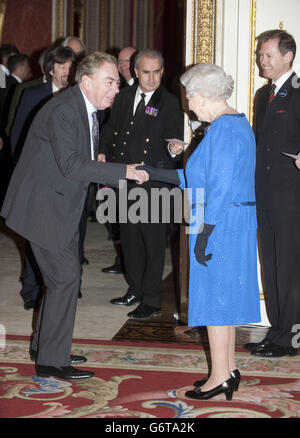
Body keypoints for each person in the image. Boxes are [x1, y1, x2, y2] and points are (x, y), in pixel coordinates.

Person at [0, 51, 148, 380]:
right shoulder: (66, 110)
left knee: (65, 279)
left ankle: (47, 347)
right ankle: (51, 361)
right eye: (110, 81)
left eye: (118, 82)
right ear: (87, 81)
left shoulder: (82, 107)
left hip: (58, 206)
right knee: (65, 279)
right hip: (42, 209)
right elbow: (72, 166)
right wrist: (122, 171)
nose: (117, 88)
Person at [138, 63, 261, 400]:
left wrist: (205, 234)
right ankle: (229, 369)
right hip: (228, 221)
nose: (187, 101)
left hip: (219, 223)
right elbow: (201, 177)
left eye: (189, 94)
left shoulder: (223, 130)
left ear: (205, 95)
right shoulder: (232, 124)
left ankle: (220, 377)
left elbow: (218, 189)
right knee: (224, 298)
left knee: (217, 300)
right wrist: (153, 172)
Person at [99, 49, 184, 320]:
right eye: (146, 72)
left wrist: (174, 149)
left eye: (157, 71)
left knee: (153, 243)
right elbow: (111, 129)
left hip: (154, 183)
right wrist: (102, 150)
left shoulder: (169, 103)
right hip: (126, 178)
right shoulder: (123, 97)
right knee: (131, 240)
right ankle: (135, 289)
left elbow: (175, 142)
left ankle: (152, 299)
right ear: (135, 72)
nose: (152, 77)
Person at [244, 29, 300, 358]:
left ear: (287, 57)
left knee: (290, 270)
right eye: (260, 55)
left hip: (291, 197)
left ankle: (290, 339)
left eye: (267, 55)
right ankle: (277, 332)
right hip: (265, 195)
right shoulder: (263, 95)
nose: (261, 60)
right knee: (272, 265)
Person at [9, 46, 76, 310]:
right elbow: (17, 135)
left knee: (67, 236)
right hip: (38, 178)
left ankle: (67, 286)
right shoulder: (32, 95)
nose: (66, 71)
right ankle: (31, 289)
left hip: (68, 179)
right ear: (50, 69)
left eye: (70, 65)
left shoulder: (77, 98)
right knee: (34, 235)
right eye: (61, 66)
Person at [101, 46, 137, 275]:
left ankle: (128, 260)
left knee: (132, 214)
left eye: (127, 61)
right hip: (114, 159)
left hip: (133, 162)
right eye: (120, 61)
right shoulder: (117, 87)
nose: (123, 65)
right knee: (114, 210)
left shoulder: (144, 90)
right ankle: (122, 257)